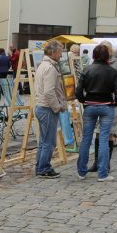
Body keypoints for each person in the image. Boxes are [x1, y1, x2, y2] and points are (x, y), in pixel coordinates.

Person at [76, 43, 117, 181]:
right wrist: (116, 102)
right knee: (104, 139)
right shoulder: (112, 71)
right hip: (107, 106)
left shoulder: (87, 70)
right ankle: (102, 173)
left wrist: (84, 100)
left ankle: (81, 172)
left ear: (94, 55)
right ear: (107, 56)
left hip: (90, 105)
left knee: (86, 139)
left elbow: (78, 90)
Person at [32, 40, 66, 178]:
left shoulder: (43, 65)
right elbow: (49, 92)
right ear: (52, 52)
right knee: (49, 142)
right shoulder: (50, 68)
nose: (61, 55)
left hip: (42, 107)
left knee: (43, 141)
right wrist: (57, 107)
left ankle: (40, 166)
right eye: (59, 52)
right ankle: (44, 168)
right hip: (47, 108)